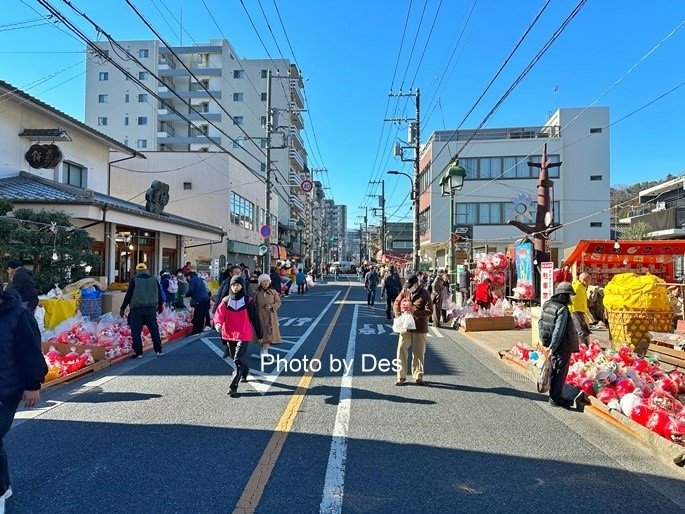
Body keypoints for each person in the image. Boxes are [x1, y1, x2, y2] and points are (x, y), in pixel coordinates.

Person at [0, 288, 48, 510]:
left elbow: (31, 351)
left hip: (5, 390)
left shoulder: (19, 316)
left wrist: (32, 384)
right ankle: (3, 484)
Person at [213, 276, 262, 398]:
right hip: (229, 334)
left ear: (242, 286)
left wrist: (260, 334)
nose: (236, 287)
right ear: (230, 286)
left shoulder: (248, 301)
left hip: (244, 333)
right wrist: (218, 324)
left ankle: (233, 386)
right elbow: (218, 315)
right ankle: (245, 371)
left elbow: (255, 318)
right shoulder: (225, 301)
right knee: (235, 356)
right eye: (233, 285)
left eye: (238, 285)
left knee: (237, 359)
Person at [539, 282, 579, 409]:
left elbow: (541, 322)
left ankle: (554, 396)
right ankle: (556, 398)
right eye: (570, 296)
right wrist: (553, 346)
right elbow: (559, 330)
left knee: (554, 368)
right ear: (564, 296)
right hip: (562, 345)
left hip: (549, 342)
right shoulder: (562, 309)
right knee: (559, 371)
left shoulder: (547, 304)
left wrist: (544, 341)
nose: (571, 298)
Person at [393, 274, 432, 386]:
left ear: (416, 284)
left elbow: (429, 311)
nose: (408, 288)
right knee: (401, 349)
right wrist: (398, 315)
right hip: (406, 326)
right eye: (407, 286)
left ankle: (418, 376)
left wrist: (414, 312)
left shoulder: (425, 294)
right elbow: (396, 302)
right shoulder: (405, 291)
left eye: (410, 286)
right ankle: (401, 377)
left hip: (420, 327)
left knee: (419, 353)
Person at [119, 263, 165, 358]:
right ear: (146, 270)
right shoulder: (154, 279)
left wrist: (122, 308)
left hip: (137, 309)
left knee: (136, 330)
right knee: (154, 329)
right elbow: (159, 293)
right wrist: (160, 305)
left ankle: (139, 353)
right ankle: (158, 350)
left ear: (137, 271)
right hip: (151, 308)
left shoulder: (134, 280)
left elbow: (129, 295)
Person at [255, 274, 282, 357]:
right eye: (263, 281)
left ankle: (265, 351)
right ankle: (264, 350)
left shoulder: (273, 292)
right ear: (260, 283)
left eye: (267, 281)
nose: (265, 283)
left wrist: (272, 306)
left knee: (269, 334)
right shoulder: (257, 293)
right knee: (262, 334)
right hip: (260, 316)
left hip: (271, 316)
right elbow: (253, 304)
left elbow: (278, 302)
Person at [570, 272, 592, 345]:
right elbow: (570, 299)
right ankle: (582, 349)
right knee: (581, 332)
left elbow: (583, 301)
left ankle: (584, 347)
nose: (589, 282)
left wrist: (588, 313)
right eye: (589, 280)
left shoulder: (582, 287)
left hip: (580, 311)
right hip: (575, 311)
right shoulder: (577, 286)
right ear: (584, 280)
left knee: (585, 331)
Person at [185, 270, 210, 335]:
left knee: (197, 315)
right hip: (205, 298)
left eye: (187, 277)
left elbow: (191, 290)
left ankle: (196, 331)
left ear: (189, 276)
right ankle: (200, 330)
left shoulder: (193, 280)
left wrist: (186, 295)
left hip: (199, 299)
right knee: (201, 316)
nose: (186, 279)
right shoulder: (199, 279)